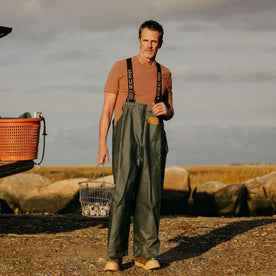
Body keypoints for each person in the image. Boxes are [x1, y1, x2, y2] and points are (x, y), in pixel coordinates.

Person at [97, 20, 174, 272]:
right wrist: (102, 144)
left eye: (154, 41)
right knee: (121, 195)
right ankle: (114, 256)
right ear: (138, 40)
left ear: (160, 43)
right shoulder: (121, 67)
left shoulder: (165, 73)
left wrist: (168, 110)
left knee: (150, 195)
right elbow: (107, 110)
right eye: (146, 40)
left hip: (153, 135)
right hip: (125, 135)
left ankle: (146, 255)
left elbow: (170, 110)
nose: (150, 45)